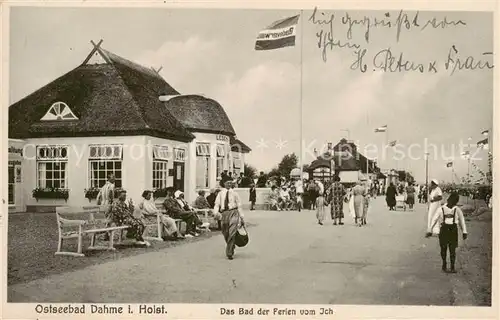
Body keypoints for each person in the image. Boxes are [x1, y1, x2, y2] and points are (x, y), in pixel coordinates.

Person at [426, 192, 468, 273]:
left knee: (452, 250)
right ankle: (444, 263)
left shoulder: (457, 209)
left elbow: (462, 221)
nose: (453, 204)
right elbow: (434, 219)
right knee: (443, 249)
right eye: (452, 201)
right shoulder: (441, 209)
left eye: (455, 202)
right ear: (449, 200)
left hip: (453, 230)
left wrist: (464, 232)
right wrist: (430, 229)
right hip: (444, 230)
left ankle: (452, 267)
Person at [214, 181, 245, 260]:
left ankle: (229, 252)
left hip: (234, 212)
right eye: (227, 183)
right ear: (224, 184)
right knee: (225, 232)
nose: (228, 184)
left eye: (230, 183)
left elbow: (239, 205)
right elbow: (217, 204)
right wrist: (216, 213)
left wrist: (242, 217)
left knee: (232, 232)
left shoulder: (235, 194)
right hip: (224, 213)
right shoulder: (220, 193)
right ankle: (231, 244)